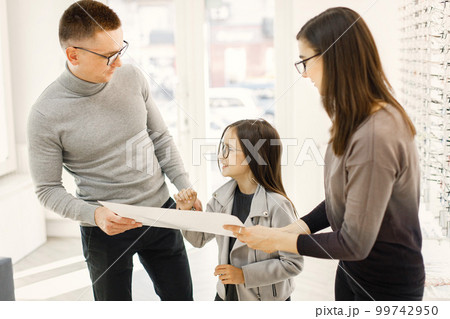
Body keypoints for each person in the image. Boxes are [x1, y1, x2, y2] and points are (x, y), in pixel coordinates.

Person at [225, 7, 425, 301]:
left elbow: (355, 243)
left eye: (305, 60)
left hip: (387, 286)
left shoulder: (376, 135)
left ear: (333, 58)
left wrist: (281, 239)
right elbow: (343, 198)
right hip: (353, 273)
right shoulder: (352, 119)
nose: (304, 73)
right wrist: (297, 227)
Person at [27, 0, 201, 301]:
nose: (118, 63)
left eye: (120, 50)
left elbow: (160, 138)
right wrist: (94, 214)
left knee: (182, 301)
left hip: (161, 214)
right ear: (73, 55)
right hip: (105, 230)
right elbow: (47, 189)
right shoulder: (45, 115)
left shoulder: (132, 78)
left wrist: (184, 187)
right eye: (108, 56)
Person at [175, 119, 303, 301]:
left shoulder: (278, 205)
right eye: (222, 148)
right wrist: (186, 212)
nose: (221, 156)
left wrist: (244, 275)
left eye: (229, 149)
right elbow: (199, 239)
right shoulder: (220, 200)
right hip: (226, 295)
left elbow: (293, 263)